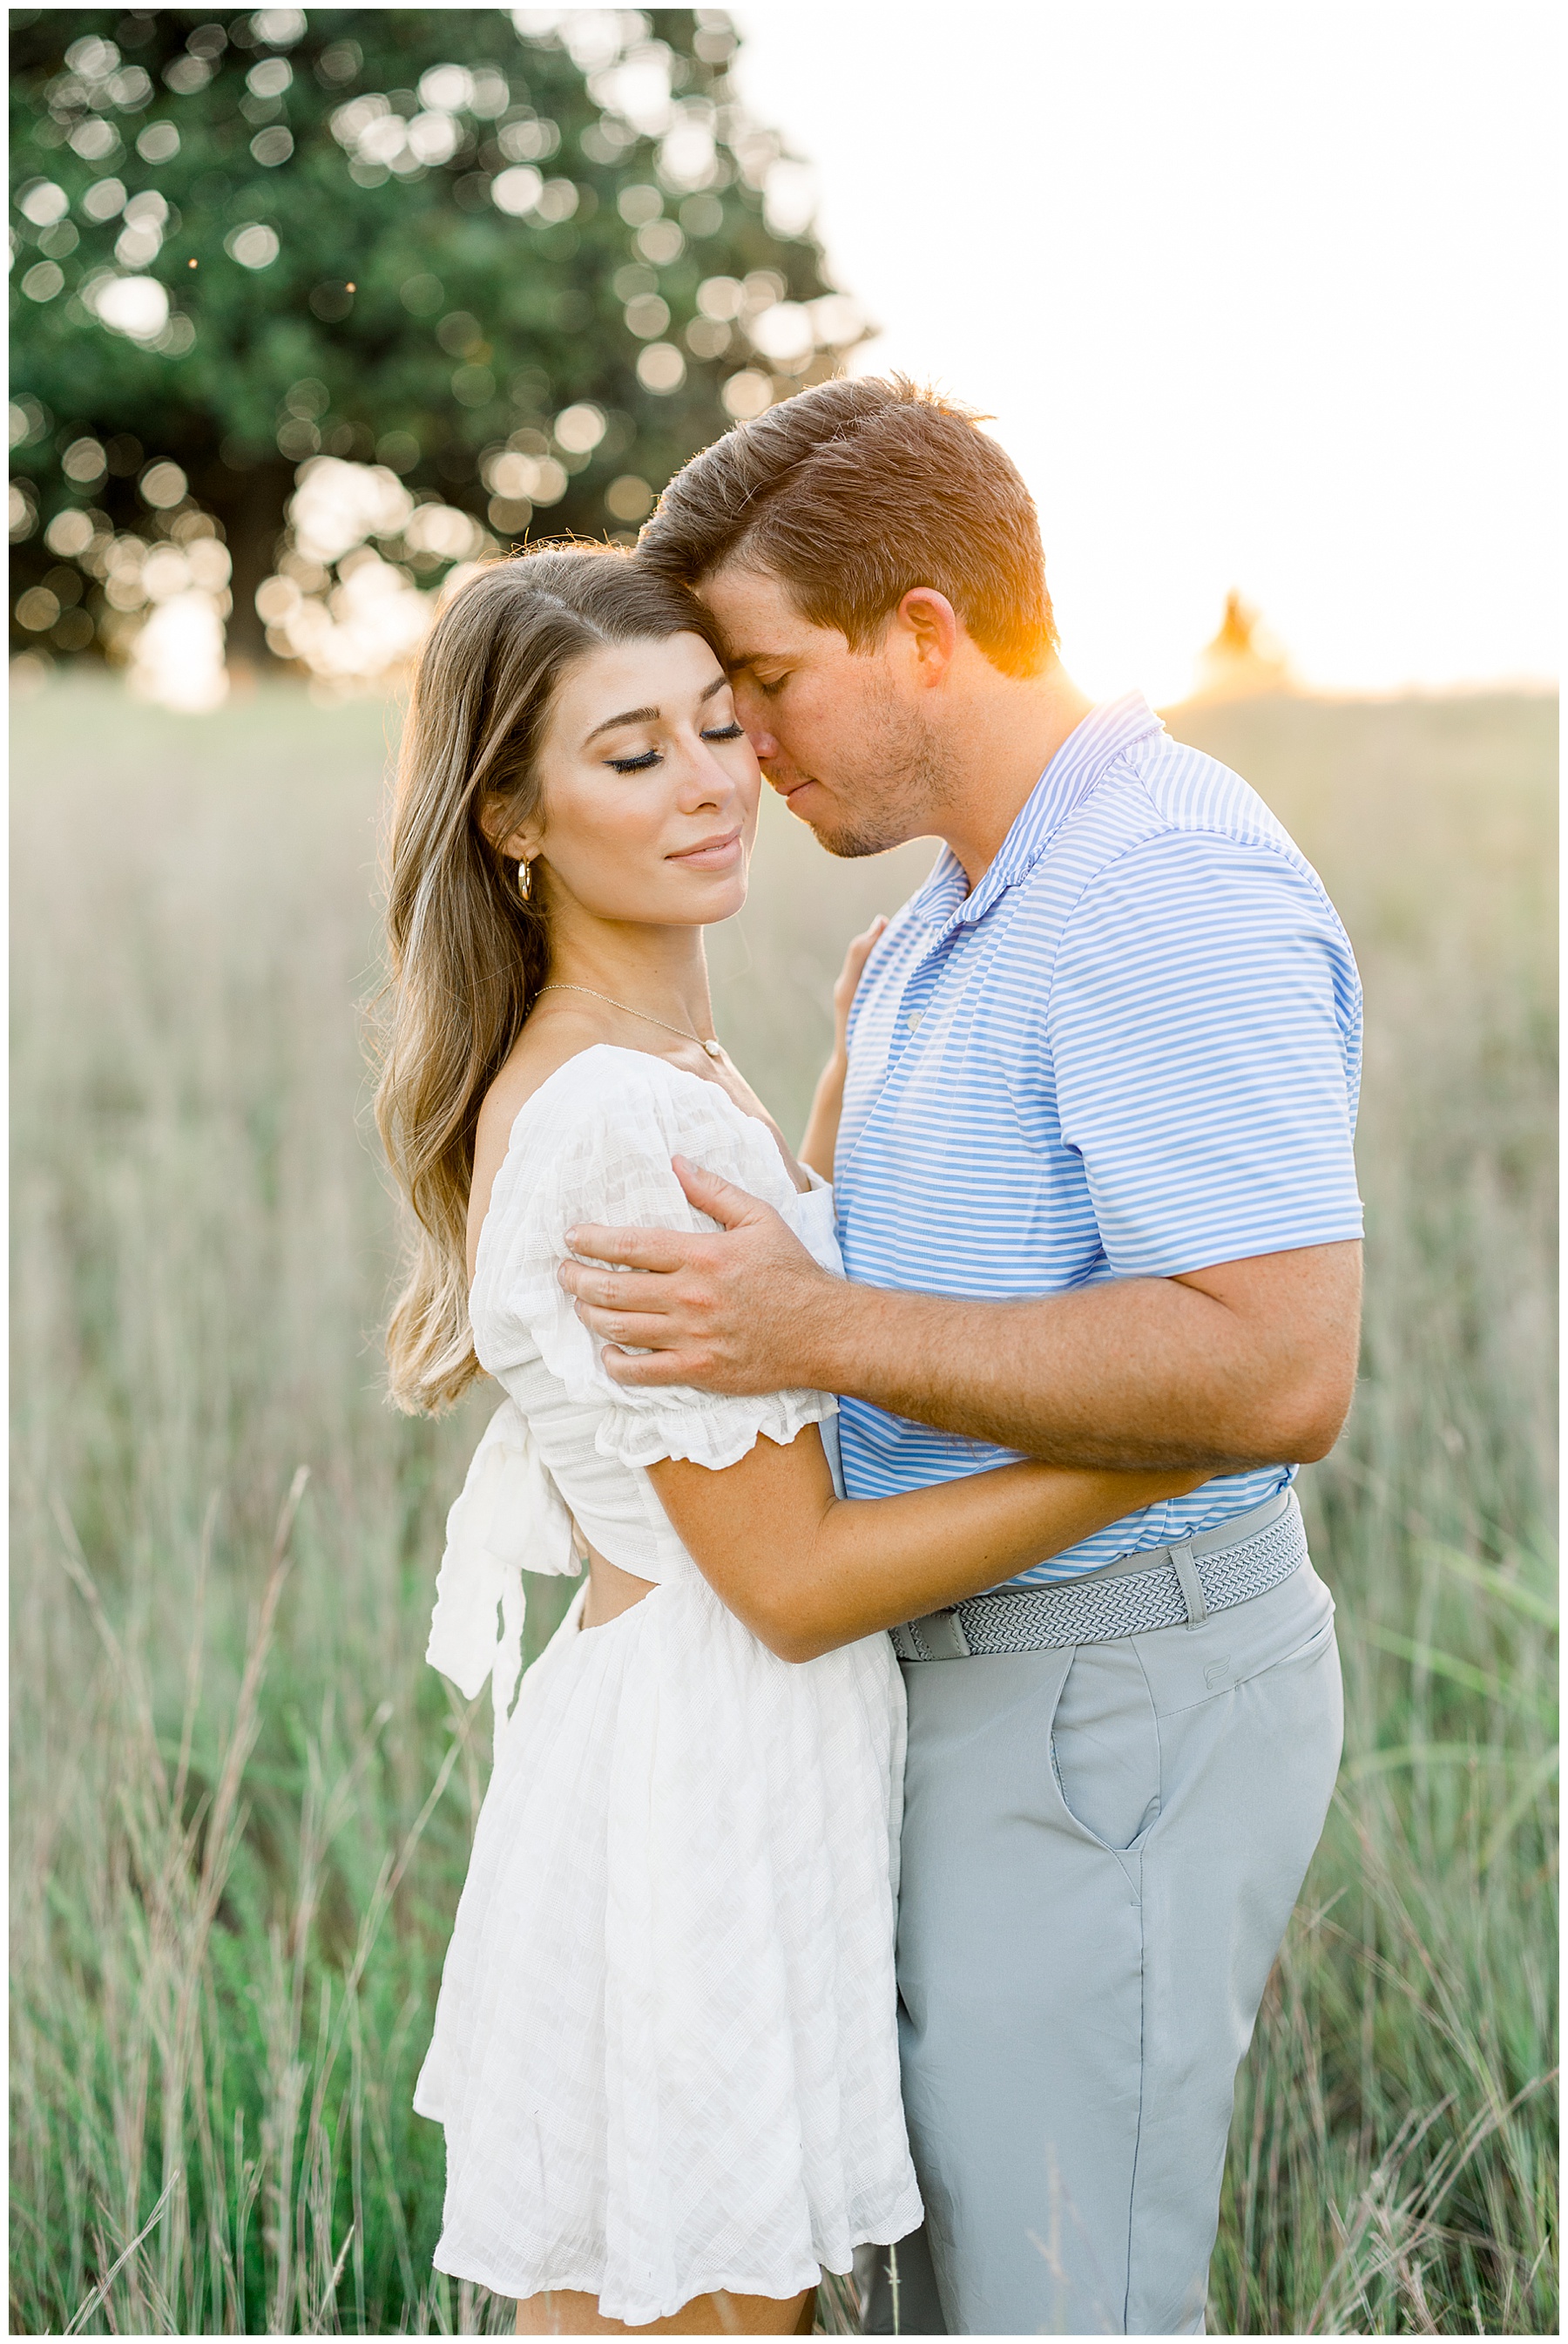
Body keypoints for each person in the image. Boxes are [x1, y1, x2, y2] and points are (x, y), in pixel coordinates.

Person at [553, 379, 1364, 2334]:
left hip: (1115, 1709)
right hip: (964, 1696)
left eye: (764, 678)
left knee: (1059, 2310)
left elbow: (1280, 1367)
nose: (742, 748)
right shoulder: (944, 920)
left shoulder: (1154, 883)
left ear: (925, 631)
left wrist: (815, 1320)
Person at [375, 545, 1198, 2336]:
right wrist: (1163, 1440)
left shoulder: (673, 1077)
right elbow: (792, 1580)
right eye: (630, 753)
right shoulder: (610, 1118)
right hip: (704, 1782)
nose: (708, 781)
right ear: (511, 817)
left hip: (707, 1754)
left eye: (718, 723)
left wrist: (829, 1107)